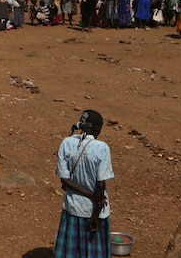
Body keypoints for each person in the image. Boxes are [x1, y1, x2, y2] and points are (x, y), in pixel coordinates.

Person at [54, 110, 114, 258]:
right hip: (94, 210)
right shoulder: (101, 148)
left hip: (72, 207)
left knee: (71, 252)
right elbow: (100, 185)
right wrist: (94, 215)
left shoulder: (66, 143)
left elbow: (64, 180)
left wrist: (90, 195)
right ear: (97, 129)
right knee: (93, 251)